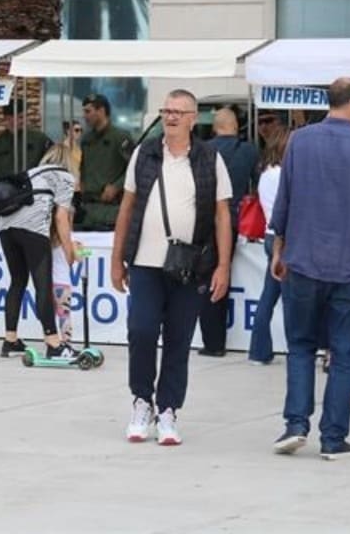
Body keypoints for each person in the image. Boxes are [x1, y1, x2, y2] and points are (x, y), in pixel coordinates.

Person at [269, 77, 350, 461]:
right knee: (343, 353)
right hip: (349, 264)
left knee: (301, 346)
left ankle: (295, 424)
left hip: (302, 259)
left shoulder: (299, 142)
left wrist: (279, 250)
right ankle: (333, 437)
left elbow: (283, 203)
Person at [111, 89, 232, 447]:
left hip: (190, 266)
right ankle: (140, 401)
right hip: (146, 263)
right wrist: (117, 258)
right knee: (142, 331)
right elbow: (127, 206)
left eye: (179, 112)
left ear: (194, 118)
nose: (172, 117)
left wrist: (223, 265)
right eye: (167, 111)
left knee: (179, 340)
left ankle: (168, 410)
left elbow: (223, 214)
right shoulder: (144, 154)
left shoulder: (210, 158)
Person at [0, 152, 79, 360]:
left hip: (6, 227)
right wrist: (69, 250)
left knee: (17, 282)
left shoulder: (33, 172)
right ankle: (53, 344)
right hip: (33, 229)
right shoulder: (66, 178)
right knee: (43, 284)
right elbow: (61, 218)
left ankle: (10, 341)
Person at [198, 106, 259, 357]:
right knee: (223, 274)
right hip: (236, 221)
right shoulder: (249, 151)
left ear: (215, 127)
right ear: (236, 127)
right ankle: (218, 341)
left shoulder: (202, 150)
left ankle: (213, 343)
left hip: (205, 220)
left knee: (206, 279)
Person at [247, 127, 288, 366]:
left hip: (271, 235)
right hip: (282, 238)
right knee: (289, 298)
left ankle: (259, 349)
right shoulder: (281, 174)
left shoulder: (266, 173)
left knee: (268, 296)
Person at [0, 103, 51, 220]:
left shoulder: (39, 140)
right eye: (18, 117)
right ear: (6, 119)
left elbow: (51, 168)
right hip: (5, 201)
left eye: (23, 117)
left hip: (34, 200)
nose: (22, 121)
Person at [81, 93, 134, 231]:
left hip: (111, 210)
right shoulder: (86, 139)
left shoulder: (120, 137)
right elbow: (84, 168)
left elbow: (134, 168)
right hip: (89, 209)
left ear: (101, 111)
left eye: (88, 111)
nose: (84, 116)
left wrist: (116, 186)